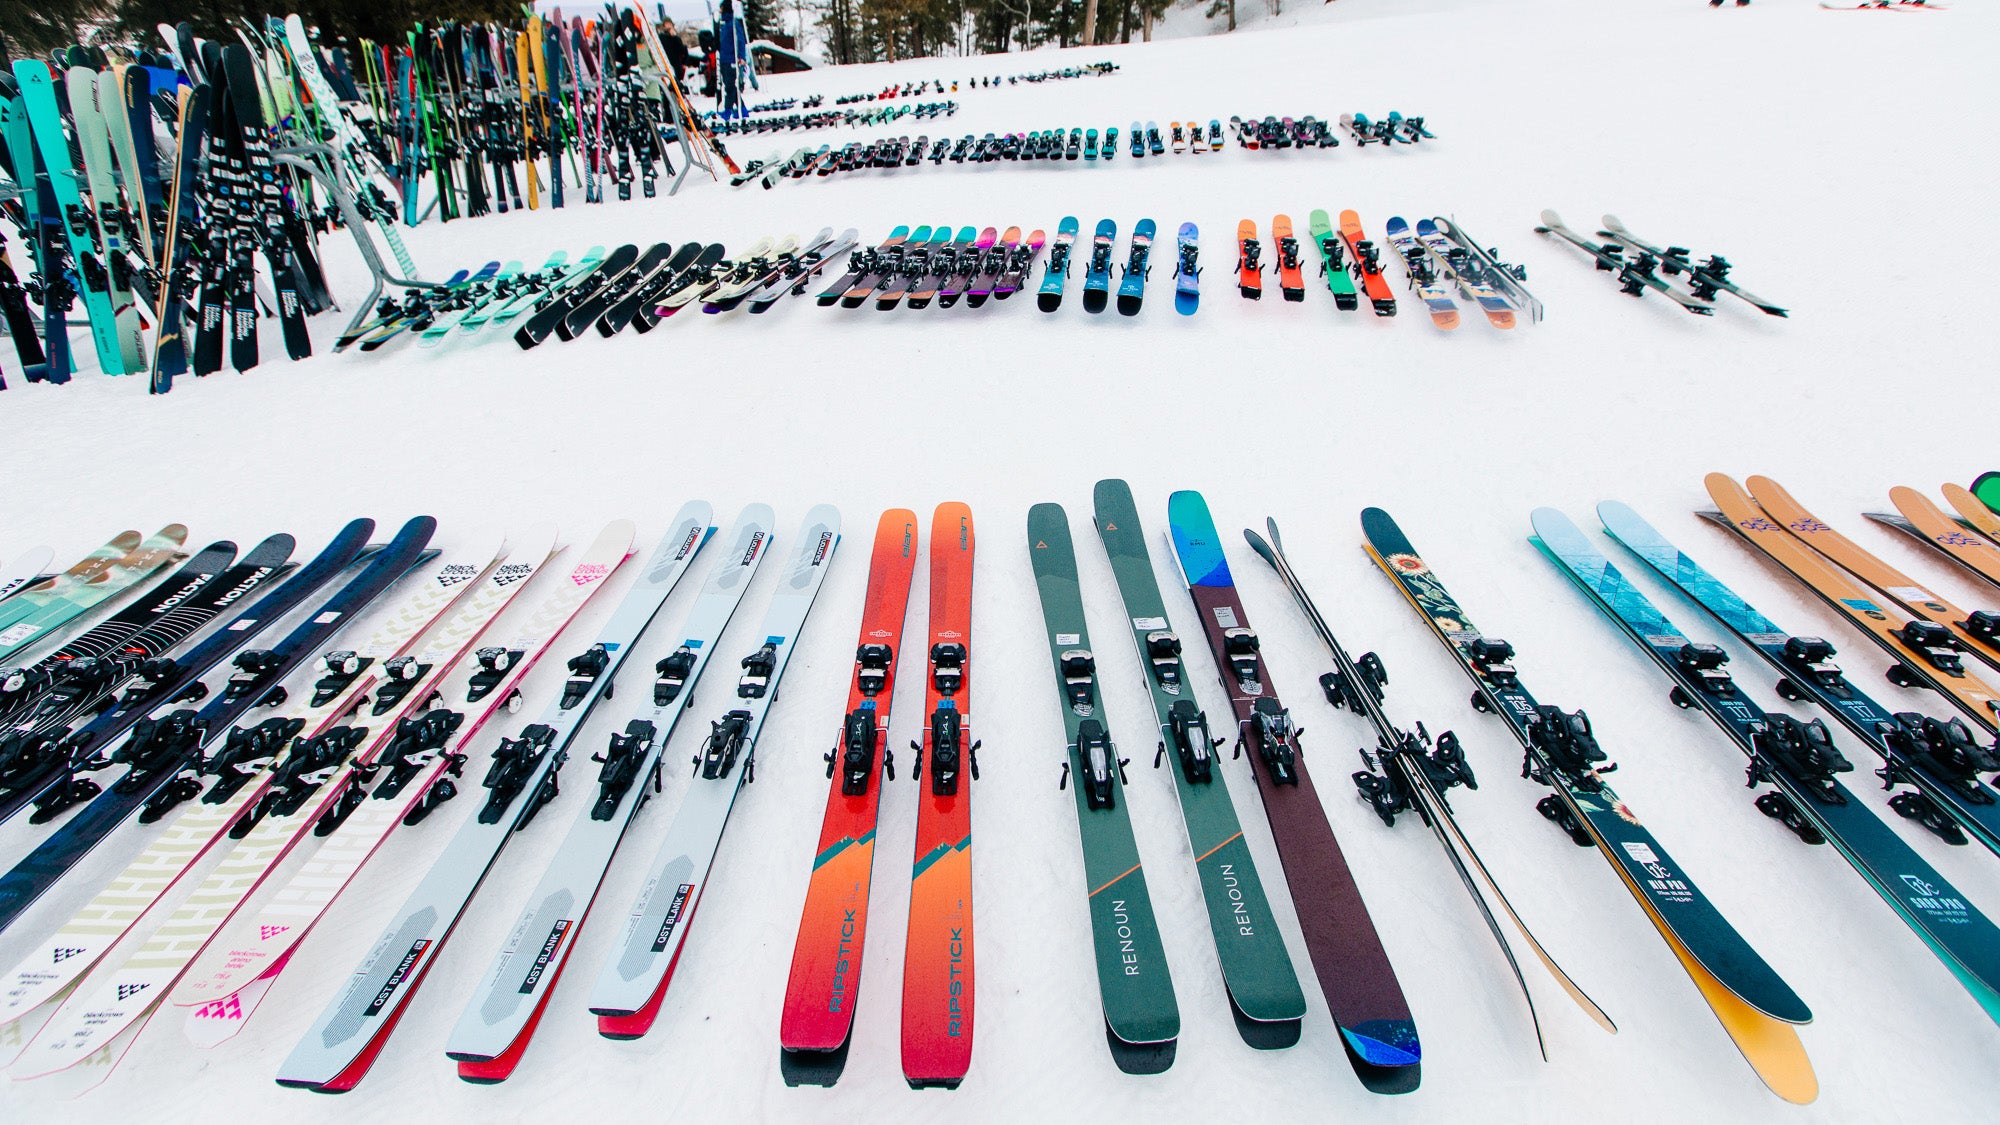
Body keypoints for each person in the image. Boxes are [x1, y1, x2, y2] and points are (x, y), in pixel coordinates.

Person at [715, 0, 750, 117]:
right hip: (724, 58)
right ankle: (742, 109)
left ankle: (728, 110)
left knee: (730, 86)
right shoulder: (723, 24)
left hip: (731, 58)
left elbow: (740, 41)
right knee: (729, 85)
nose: (719, 11)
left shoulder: (733, 23)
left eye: (721, 8)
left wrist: (741, 56)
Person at [660, 17, 691, 81]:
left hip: (677, 66)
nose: (669, 26)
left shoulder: (676, 38)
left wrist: (675, 37)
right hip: (666, 65)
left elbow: (683, 50)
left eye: (670, 24)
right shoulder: (661, 37)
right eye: (666, 24)